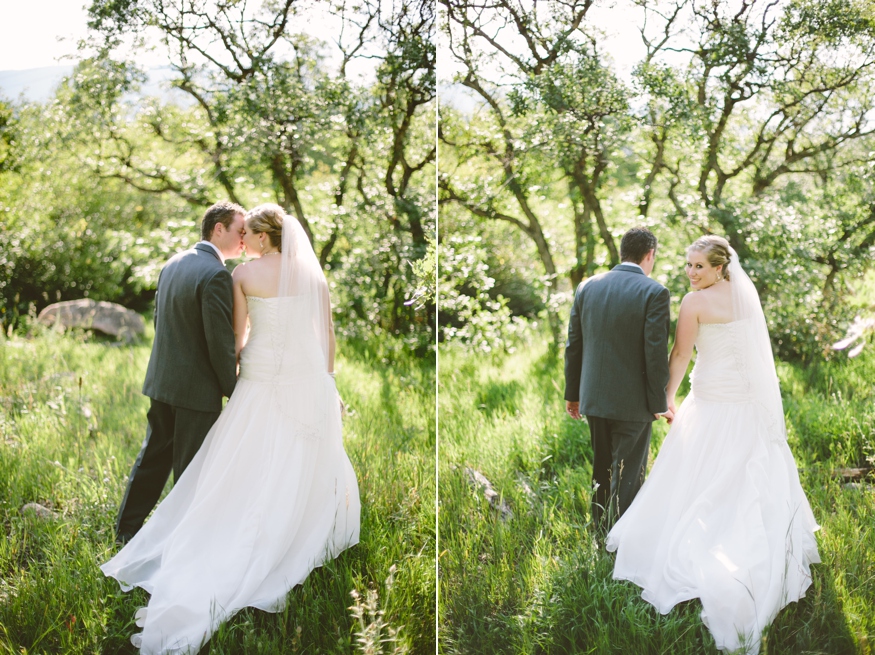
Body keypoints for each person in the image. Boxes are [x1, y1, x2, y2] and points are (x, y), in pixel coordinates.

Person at [102, 204, 361, 654]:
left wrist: (240, 374)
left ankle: (171, 532)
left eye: (250, 233)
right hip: (309, 380)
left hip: (251, 379)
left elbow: (237, 338)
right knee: (301, 461)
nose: (245, 240)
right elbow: (328, 335)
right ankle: (296, 536)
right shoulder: (314, 277)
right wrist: (328, 380)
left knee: (233, 462)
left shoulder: (239, 274)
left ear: (263, 237)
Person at [605, 236, 820, 655]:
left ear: (721, 268)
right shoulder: (744, 299)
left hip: (710, 405)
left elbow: (682, 353)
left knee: (695, 476)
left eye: (699, 266)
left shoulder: (693, 303)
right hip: (746, 406)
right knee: (746, 475)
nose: (690, 273)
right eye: (688, 265)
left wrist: (665, 399)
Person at [114, 201, 245, 544]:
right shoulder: (216, 275)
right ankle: (181, 544)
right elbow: (220, 343)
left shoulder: (174, 262)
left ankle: (126, 530)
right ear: (219, 229)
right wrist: (235, 389)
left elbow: (161, 323)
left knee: (153, 458)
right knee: (189, 473)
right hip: (195, 393)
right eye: (239, 231)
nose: (244, 239)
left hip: (162, 382)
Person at [564, 227, 672, 529]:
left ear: (622, 251)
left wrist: (573, 394)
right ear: (649, 255)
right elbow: (655, 354)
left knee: (602, 471)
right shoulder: (655, 292)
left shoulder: (587, 286)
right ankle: (620, 544)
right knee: (628, 478)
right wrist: (658, 402)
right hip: (634, 403)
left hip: (594, 399)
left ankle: (600, 535)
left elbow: (574, 344)